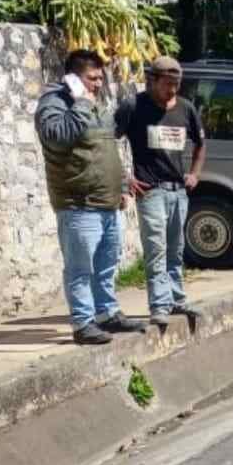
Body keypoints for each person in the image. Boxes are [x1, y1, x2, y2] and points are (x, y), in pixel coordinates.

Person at [35, 50, 145, 344]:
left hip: (107, 202)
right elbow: (58, 137)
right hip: (78, 203)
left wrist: (122, 187)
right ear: (72, 77)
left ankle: (106, 314)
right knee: (80, 268)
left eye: (100, 78)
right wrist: (81, 101)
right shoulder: (54, 103)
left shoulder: (96, 105)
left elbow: (108, 150)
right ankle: (83, 324)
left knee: (107, 265)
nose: (98, 83)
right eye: (91, 78)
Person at [116, 55, 207, 329]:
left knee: (175, 249)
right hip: (151, 190)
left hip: (178, 190)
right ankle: (159, 305)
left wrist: (195, 174)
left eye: (177, 84)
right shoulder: (134, 106)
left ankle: (176, 298)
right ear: (152, 80)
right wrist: (124, 178)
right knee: (156, 249)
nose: (173, 91)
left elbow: (201, 143)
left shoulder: (186, 108)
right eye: (168, 84)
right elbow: (108, 140)